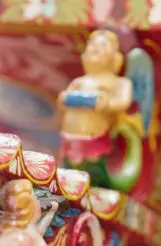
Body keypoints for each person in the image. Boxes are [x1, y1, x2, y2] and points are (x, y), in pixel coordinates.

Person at [57, 30, 135, 191]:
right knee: (68, 171)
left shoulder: (118, 82)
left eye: (102, 45)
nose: (95, 48)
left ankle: (96, 188)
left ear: (116, 57)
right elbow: (62, 103)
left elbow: (123, 102)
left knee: (94, 171)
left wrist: (106, 103)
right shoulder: (78, 81)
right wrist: (64, 99)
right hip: (70, 140)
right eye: (91, 45)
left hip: (96, 139)